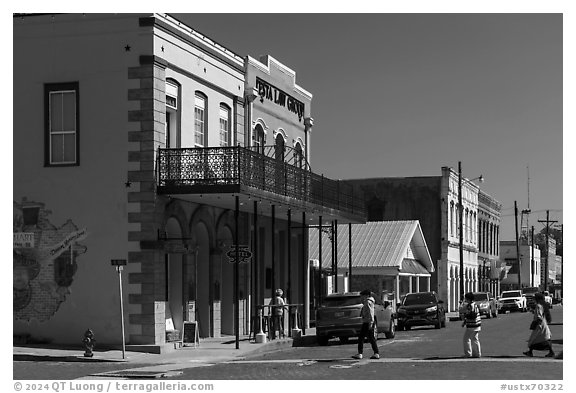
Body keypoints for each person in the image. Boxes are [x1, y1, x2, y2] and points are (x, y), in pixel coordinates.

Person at [524, 292, 555, 357]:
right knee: (545, 338)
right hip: (543, 324)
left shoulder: (538, 306)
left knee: (534, 338)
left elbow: (539, 316)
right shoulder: (542, 305)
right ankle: (550, 352)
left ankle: (530, 352)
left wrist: (536, 323)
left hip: (539, 325)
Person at [352, 289, 380, 360]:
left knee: (361, 337)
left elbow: (370, 313)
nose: (361, 297)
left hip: (367, 322)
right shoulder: (369, 302)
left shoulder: (367, 302)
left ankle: (360, 353)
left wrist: (370, 323)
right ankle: (376, 353)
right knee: (371, 338)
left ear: (367, 295)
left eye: (363, 296)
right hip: (368, 322)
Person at [461, 292, 482, 358]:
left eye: (466, 298)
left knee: (466, 339)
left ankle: (468, 353)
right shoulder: (475, 305)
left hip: (472, 325)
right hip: (477, 324)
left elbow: (471, 315)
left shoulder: (470, 306)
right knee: (475, 339)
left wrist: (465, 316)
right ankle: (477, 353)